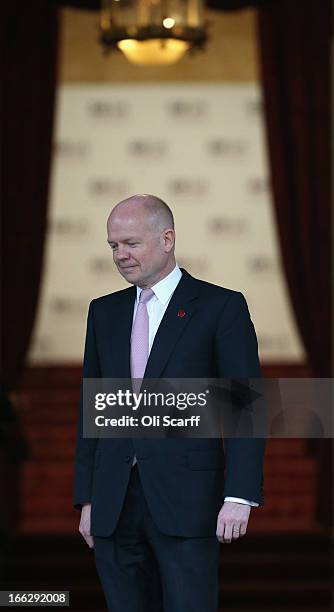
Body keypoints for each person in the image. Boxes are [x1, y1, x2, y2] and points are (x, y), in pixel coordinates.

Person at [74, 194, 265, 612]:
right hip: (113, 507)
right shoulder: (102, 312)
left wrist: (239, 495)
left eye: (130, 243)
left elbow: (243, 407)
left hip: (188, 504)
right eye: (113, 246)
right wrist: (87, 499)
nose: (120, 255)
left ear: (167, 239)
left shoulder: (220, 307)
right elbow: (94, 413)